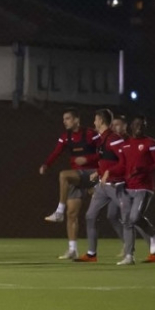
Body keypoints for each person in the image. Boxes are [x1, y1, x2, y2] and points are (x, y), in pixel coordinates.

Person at [39, 108, 100, 260]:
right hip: (78, 176)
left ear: (76, 120)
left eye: (67, 118)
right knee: (72, 214)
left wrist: (87, 159)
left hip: (92, 174)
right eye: (64, 119)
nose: (64, 121)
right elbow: (56, 152)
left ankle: (59, 211)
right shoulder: (65, 137)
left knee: (63, 175)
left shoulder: (91, 134)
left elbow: (104, 152)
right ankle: (73, 249)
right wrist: (46, 164)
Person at [110, 115, 155, 265]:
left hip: (144, 187)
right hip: (127, 187)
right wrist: (111, 174)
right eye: (137, 124)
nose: (139, 127)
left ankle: (153, 233)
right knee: (127, 221)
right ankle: (129, 256)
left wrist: (144, 169)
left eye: (142, 125)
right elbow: (122, 165)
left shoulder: (150, 143)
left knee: (134, 218)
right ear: (131, 127)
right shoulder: (125, 145)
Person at [75, 109, 126, 262]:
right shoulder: (103, 139)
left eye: (95, 119)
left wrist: (109, 172)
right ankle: (91, 254)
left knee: (132, 217)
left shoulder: (114, 138)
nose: (94, 122)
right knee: (90, 216)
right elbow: (107, 159)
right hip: (103, 186)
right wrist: (98, 172)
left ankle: (152, 239)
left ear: (101, 121)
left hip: (116, 185)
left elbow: (125, 161)